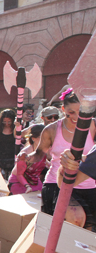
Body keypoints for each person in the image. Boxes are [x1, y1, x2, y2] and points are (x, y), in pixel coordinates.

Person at [32, 88, 96, 227]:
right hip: (57, 183)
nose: (76, 117)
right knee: (73, 221)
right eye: (71, 113)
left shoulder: (93, 125)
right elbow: (39, 154)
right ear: (63, 109)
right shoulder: (51, 129)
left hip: (88, 184)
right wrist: (25, 157)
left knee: (88, 233)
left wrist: (87, 159)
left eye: (81, 112)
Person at [8, 125, 47, 195]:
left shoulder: (43, 150)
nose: (46, 140)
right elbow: (19, 174)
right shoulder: (24, 153)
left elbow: (46, 163)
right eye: (42, 138)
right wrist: (28, 187)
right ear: (33, 138)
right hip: (19, 183)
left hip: (35, 182)